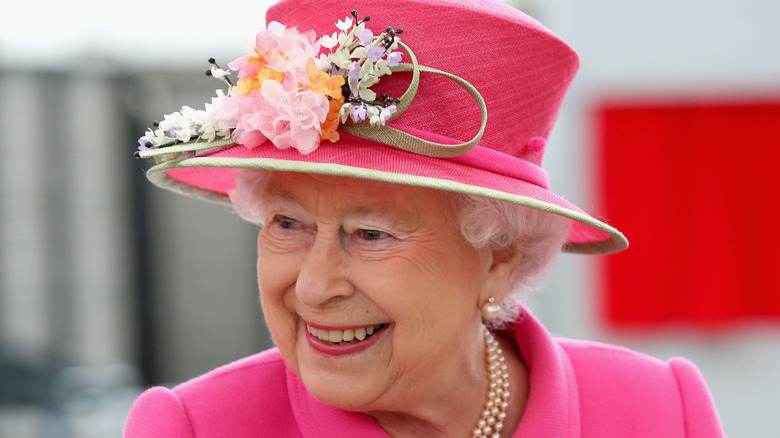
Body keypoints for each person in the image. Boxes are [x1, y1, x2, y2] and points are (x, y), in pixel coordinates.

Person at [125, 0, 724, 436]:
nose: (313, 285)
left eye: (371, 233)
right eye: (288, 224)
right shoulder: (196, 428)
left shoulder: (661, 412)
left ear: (497, 260)